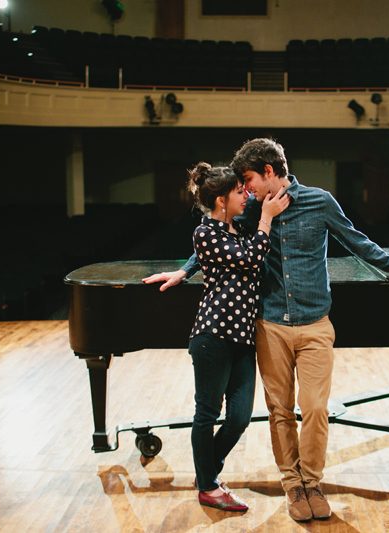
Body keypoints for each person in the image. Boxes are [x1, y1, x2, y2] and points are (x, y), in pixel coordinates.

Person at [145, 139, 389, 521]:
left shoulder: (320, 201)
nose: (245, 188)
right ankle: (293, 487)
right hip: (270, 326)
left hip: (316, 323)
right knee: (279, 411)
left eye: (248, 179)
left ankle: (313, 481)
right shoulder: (251, 209)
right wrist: (185, 270)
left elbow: (358, 243)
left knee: (315, 408)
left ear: (269, 172)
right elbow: (220, 240)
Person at [143, 162, 289, 512]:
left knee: (239, 416)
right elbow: (252, 257)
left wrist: (185, 269)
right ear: (222, 200)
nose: (247, 196)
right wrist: (266, 218)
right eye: (240, 192)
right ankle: (208, 486)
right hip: (213, 334)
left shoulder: (236, 228)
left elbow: (232, 251)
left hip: (242, 336)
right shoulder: (205, 233)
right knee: (206, 414)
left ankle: (206, 471)